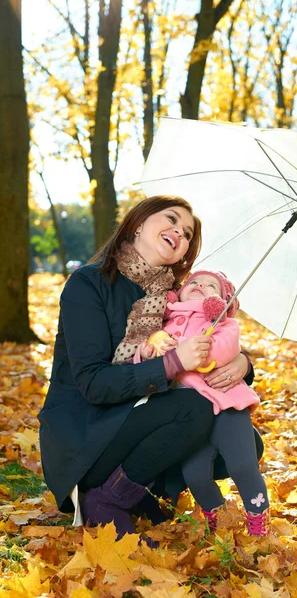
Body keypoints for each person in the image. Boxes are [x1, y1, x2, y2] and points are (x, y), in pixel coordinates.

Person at [38, 195, 261, 541]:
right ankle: (106, 498)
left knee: (245, 438)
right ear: (138, 223)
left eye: (187, 234)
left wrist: (242, 364)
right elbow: (95, 384)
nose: (179, 233)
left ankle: (148, 491)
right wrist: (173, 362)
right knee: (196, 409)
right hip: (87, 436)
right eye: (171, 219)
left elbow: (210, 338)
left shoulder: (175, 297)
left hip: (139, 417)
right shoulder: (87, 285)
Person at [119, 270, 269, 536]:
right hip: (192, 418)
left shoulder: (224, 324)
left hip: (226, 407)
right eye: (194, 282)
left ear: (221, 301)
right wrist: (145, 354)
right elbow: (148, 368)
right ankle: (218, 520)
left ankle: (258, 520)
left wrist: (186, 348)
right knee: (196, 474)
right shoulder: (165, 323)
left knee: (242, 465)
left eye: (210, 285)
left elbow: (225, 349)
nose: (200, 285)